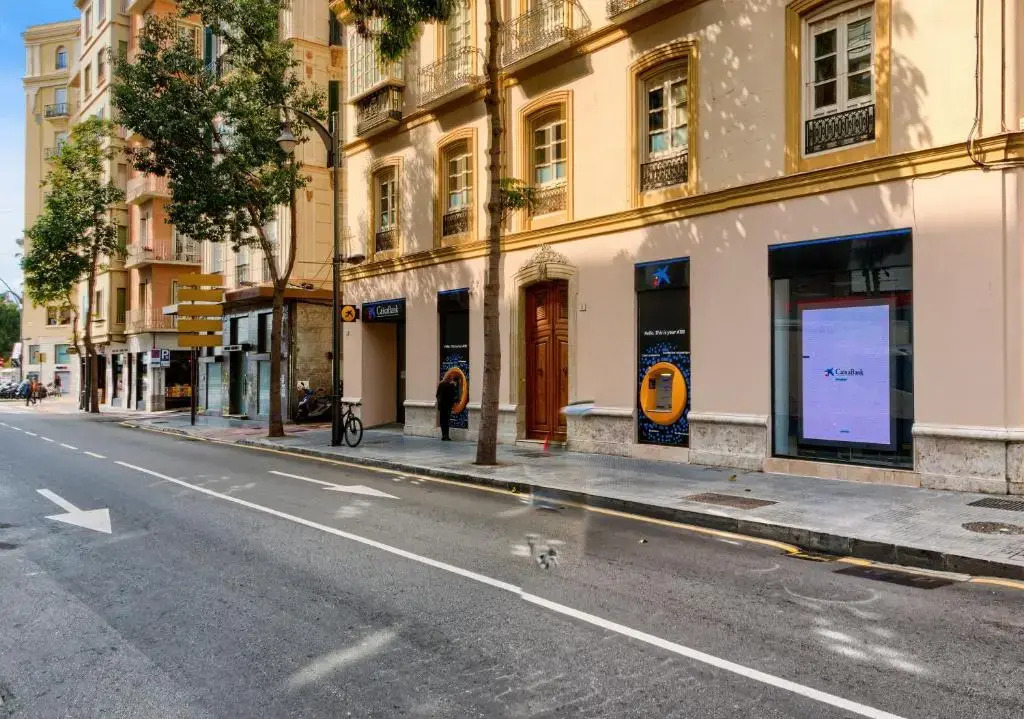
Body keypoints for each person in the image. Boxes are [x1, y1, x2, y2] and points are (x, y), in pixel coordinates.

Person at [435, 375, 458, 441]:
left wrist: (440, 402)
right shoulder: (451, 386)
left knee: (442, 421)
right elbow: (454, 395)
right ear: (449, 379)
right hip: (448, 406)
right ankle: (447, 436)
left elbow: (437, 395)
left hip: (442, 406)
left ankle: (443, 435)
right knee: (447, 421)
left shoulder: (441, 384)